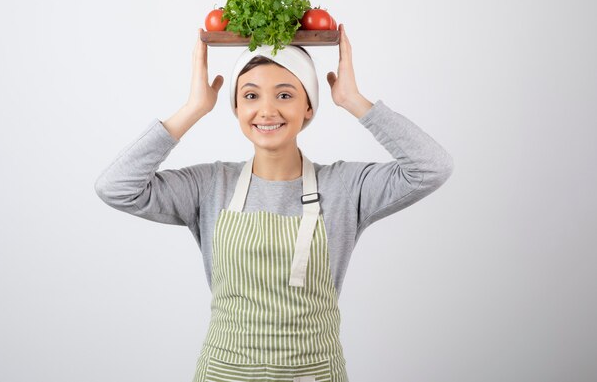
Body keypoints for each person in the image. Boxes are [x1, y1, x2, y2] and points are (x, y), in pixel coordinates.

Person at [94, 23, 454, 381]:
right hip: (225, 374)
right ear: (235, 106)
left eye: (284, 95)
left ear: (309, 107)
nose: (266, 111)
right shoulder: (209, 185)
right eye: (250, 96)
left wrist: (353, 100)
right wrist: (192, 109)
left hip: (314, 373)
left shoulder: (345, 187)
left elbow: (432, 167)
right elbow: (116, 187)